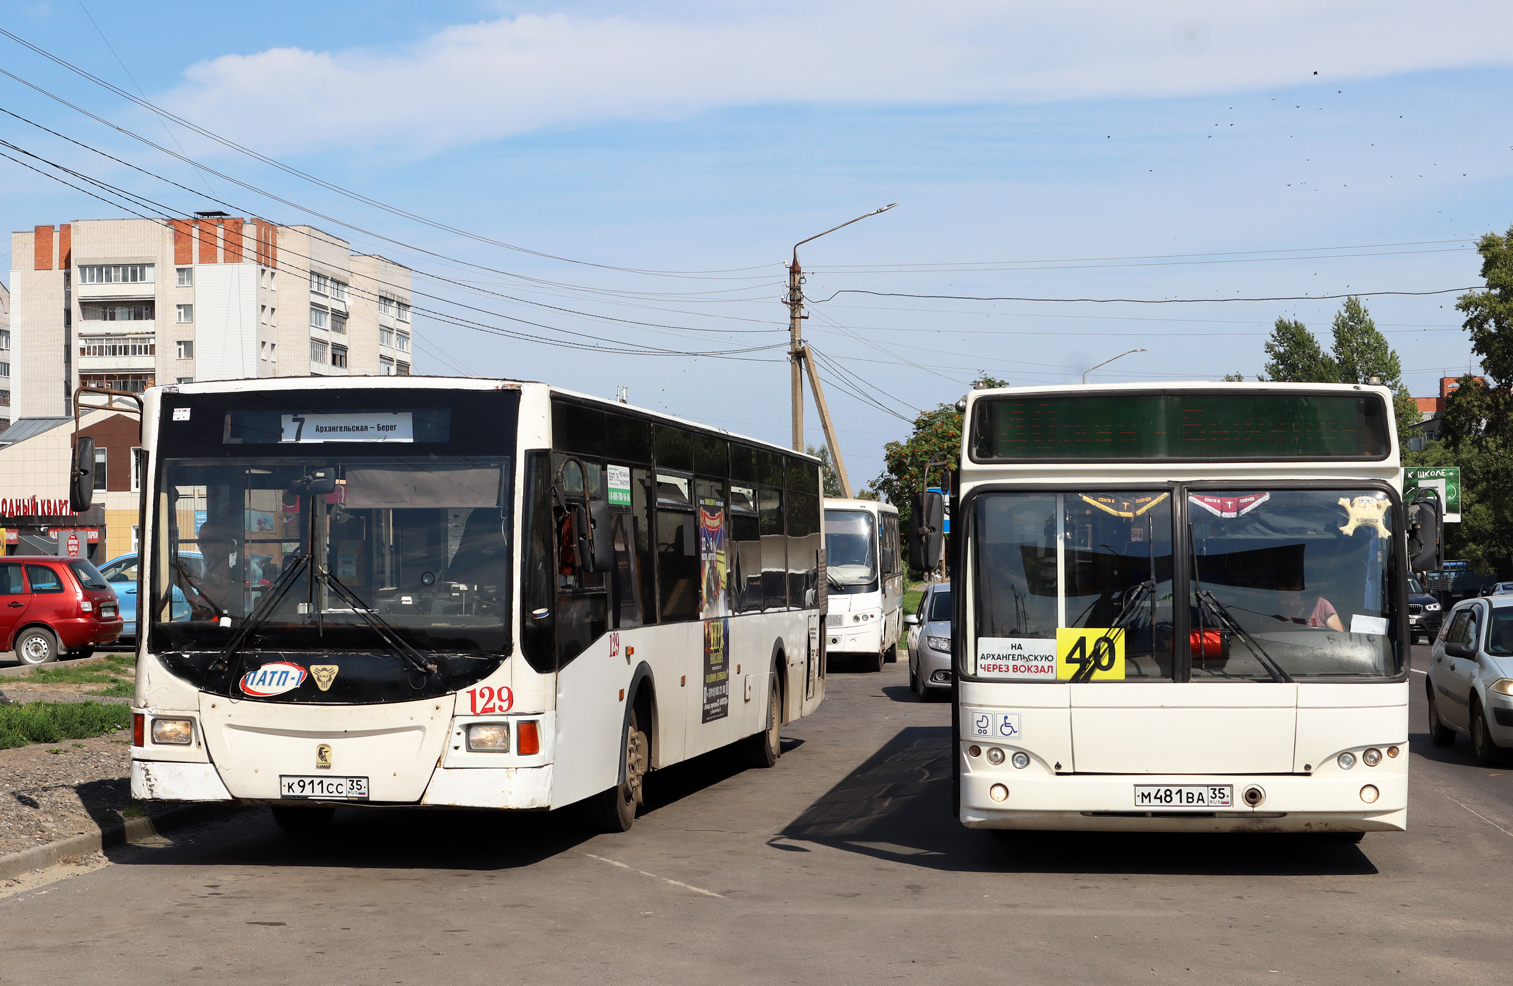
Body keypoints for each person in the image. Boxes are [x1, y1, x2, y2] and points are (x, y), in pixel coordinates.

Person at [1272, 566, 1344, 632]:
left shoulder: (1320, 606)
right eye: (1285, 598)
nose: (1291, 603)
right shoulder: (1275, 623)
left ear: (1301, 589)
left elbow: (1340, 639)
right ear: (1276, 594)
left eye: (1295, 597)